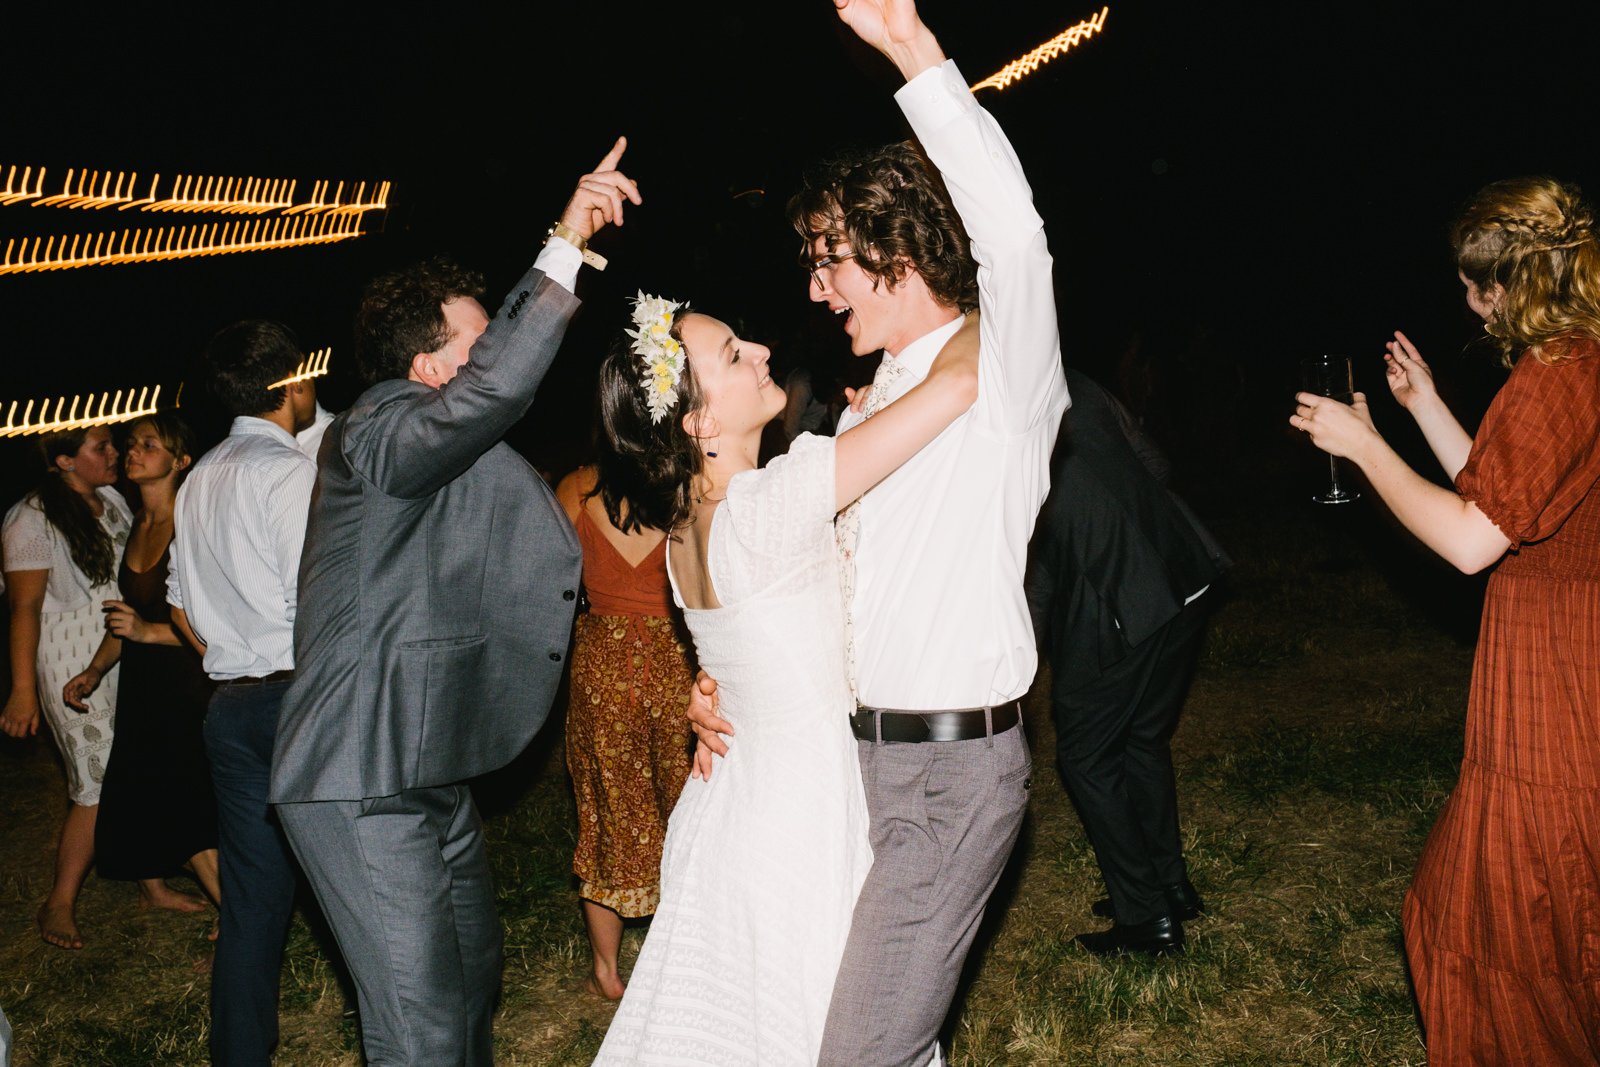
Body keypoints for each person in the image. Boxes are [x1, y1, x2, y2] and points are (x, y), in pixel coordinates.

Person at [687, 2, 1069, 1062]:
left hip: (952, 769)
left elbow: (1016, 237)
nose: (814, 292)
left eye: (830, 263)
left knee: (859, 1049)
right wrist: (729, 676)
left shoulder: (998, 372)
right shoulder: (884, 393)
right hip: (847, 764)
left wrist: (910, 47)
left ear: (896, 249)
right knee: (873, 1027)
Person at [269, 141, 637, 1065]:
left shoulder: (435, 454)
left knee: (471, 981)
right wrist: (565, 244)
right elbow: (501, 386)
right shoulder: (378, 426)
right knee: (420, 1025)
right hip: (358, 774)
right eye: (479, 343)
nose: (500, 358)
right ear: (432, 371)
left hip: (423, 767)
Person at [593, 284, 980, 1065]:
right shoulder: (770, 503)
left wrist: (706, 694)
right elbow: (962, 385)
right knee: (833, 1020)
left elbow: (748, 649)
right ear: (698, 423)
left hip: (727, 812)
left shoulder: (682, 536)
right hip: (804, 814)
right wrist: (972, 307)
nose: (762, 351)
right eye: (734, 355)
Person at [1295, 176, 1600, 1063]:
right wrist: (1423, 404)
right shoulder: (1577, 363)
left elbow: (1473, 542)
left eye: (1472, 284)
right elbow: (1511, 499)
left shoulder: (1559, 371)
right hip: (1554, 678)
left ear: (1504, 284)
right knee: (1472, 917)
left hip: (1558, 700)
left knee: (1511, 936)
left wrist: (1366, 449)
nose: (1466, 300)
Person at [1026, 369, 1228, 957]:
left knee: (1086, 755)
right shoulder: (1071, 378)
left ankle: (1146, 920)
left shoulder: (986, 400)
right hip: (1186, 564)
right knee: (1140, 737)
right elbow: (1154, 464)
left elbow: (1026, 544)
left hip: (1123, 588)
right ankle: (1169, 885)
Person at [166, 319, 320, 1066]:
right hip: (298, 698)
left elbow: (181, 606)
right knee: (357, 882)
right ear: (287, 384)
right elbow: (314, 598)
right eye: (306, 376)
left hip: (229, 707)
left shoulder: (197, 478)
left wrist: (234, 659)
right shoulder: (286, 472)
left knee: (255, 902)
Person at [63, 414, 220, 923]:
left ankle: (239, 916)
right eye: (132, 444)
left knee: (189, 800)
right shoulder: (137, 523)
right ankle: (162, 889)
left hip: (186, 683)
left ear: (180, 461)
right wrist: (93, 670)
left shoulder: (192, 523)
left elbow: (214, 621)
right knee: (148, 789)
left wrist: (149, 634)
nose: (133, 452)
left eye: (149, 445)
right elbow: (127, 619)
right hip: (144, 686)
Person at [554, 454, 695, 1001]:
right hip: (676, 661)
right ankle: (687, 958)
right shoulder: (689, 486)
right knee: (690, 808)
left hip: (603, 670)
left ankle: (606, 971)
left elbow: (543, 576)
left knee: (609, 810)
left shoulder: (579, 487)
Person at [1, 424, 133, 949]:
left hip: (119, 645)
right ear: (64, 461)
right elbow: (25, 609)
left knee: (132, 765)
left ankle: (147, 881)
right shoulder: (30, 518)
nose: (114, 452)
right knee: (95, 782)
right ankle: (58, 903)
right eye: (100, 448)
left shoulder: (111, 499)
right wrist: (22, 691)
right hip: (66, 654)